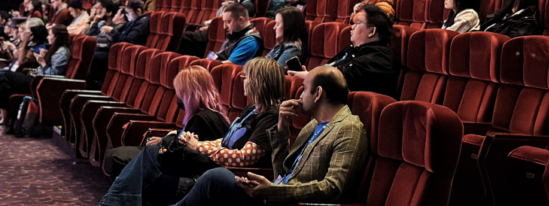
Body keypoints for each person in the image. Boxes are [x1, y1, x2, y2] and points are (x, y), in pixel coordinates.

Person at [183, 66, 367, 206]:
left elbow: (333, 187)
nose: (300, 95)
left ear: (318, 93)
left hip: (289, 201)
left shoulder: (348, 128)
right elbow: (282, 172)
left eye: (304, 89)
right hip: (275, 196)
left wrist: (275, 191)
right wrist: (282, 127)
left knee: (216, 178)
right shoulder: (313, 124)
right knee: (214, 181)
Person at [157, 58, 285, 206]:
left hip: (243, 182)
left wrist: (198, 147)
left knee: (166, 177)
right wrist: (196, 143)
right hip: (224, 170)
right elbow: (225, 141)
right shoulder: (253, 109)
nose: (243, 80)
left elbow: (245, 157)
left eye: (247, 77)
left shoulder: (272, 116)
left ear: (259, 82)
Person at [101, 65, 231, 197]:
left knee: (131, 164)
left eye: (180, 92)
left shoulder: (202, 120)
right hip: (185, 166)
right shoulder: (209, 113)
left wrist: (164, 144)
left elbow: (186, 158)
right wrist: (167, 140)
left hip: (192, 176)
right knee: (121, 156)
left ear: (188, 94)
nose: (178, 96)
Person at [294, 6, 399, 98]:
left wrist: (313, 76)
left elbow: (345, 76)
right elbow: (332, 68)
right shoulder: (353, 49)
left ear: (372, 31)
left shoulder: (382, 58)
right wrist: (310, 73)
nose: (352, 27)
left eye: (358, 23)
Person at [0, 25, 71, 127]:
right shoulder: (57, 49)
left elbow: (54, 75)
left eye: (50, 35)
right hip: (37, 78)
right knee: (4, 84)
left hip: (42, 83)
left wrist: (42, 62)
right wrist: (44, 58)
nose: (48, 37)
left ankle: (5, 118)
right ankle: (6, 118)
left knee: (6, 76)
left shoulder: (62, 52)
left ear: (57, 37)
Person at [86, 0, 151, 89]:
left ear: (138, 11)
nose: (126, 15)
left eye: (128, 12)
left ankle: (96, 86)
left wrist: (112, 30)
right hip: (117, 50)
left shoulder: (142, 23)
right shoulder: (133, 21)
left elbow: (128, 41)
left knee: (92, 57)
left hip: (125, 54)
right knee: (90, 52)